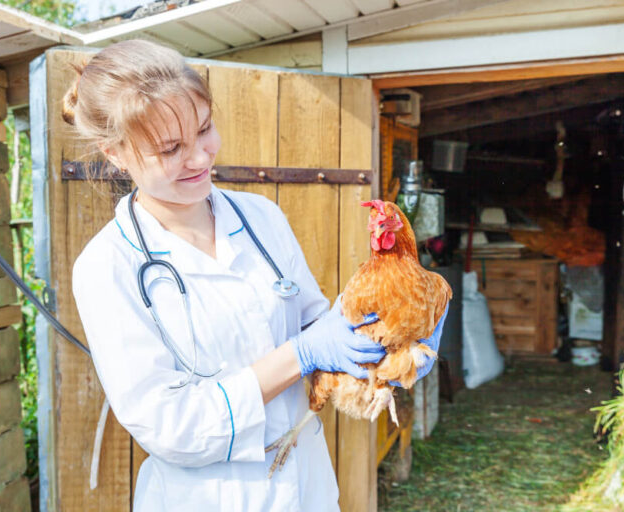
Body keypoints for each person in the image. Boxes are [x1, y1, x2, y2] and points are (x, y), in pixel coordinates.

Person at [66, 40, 385, 511]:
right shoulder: (106, 266)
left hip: (306, 487)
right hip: (208, 498)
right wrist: (301, 354)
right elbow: (170, 425)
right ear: (115, 153)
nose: (200, 158)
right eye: (171, 148)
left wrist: (383, 335)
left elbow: (316, 327)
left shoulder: (262, 217)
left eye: (205, 129)